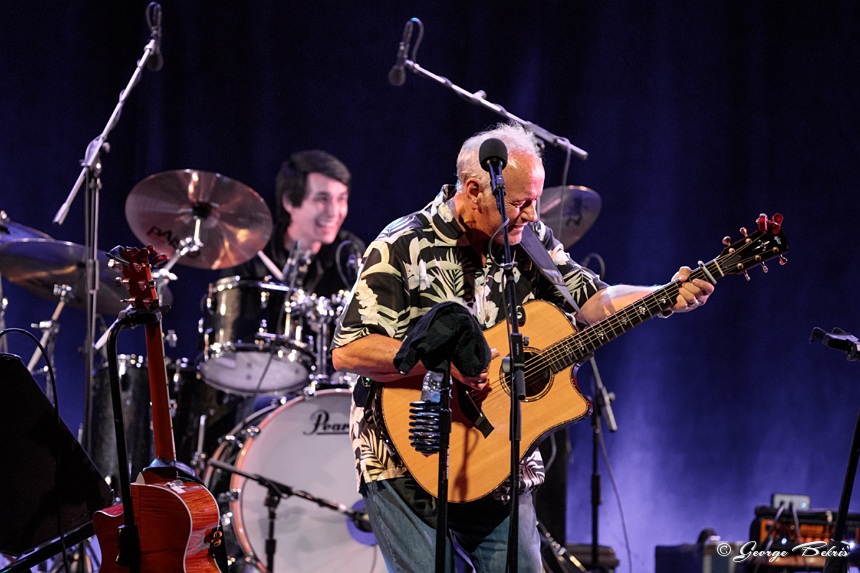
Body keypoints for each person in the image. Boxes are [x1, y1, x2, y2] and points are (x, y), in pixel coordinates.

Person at [330, 123, 714, 573]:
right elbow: (349, 350)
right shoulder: (403, 243)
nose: (533, 214)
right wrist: (442, 365)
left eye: (535, 200)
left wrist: (663, 294)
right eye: (520, 203)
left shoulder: (530, 240)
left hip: (496, 452)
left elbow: (593, 300)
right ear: (474, 190)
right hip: (405, 450)